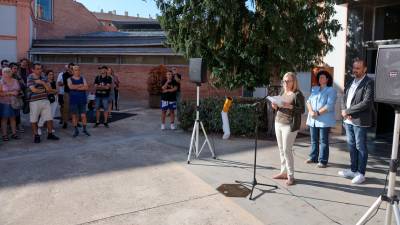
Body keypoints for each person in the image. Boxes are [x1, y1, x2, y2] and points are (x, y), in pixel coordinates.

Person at [338, 59, 375, 184]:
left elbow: (366, 103)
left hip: (360, 121)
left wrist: (348, 111)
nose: (355, 70)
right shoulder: (350, 81)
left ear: (364, 69)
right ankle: (353, 170)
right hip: (348, 120)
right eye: (354, 68)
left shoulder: (368, 83)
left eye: (358, 68)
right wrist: (344, 110)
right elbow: (344, 97)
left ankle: (361, 173)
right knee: (352, 146)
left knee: (361, 147)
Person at [271, 72, 305, 186]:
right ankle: (283, 172)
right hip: (278, 122)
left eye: (288, 81)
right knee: (281, 149)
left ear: (293, 82)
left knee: (287, 150)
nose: (285, 83)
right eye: (284, 81)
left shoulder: (297, 94)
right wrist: (275, 106)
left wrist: (289, 106)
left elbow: (302, 110)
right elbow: (279, 106)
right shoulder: (282, 91)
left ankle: (291, 175)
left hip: (289, 125)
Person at [305, 70, 337, 168]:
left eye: (323, 77)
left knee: (323, 140)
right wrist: (310, 111)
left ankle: (323, 161)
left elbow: (330, 105)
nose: (320, 79)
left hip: (324, 120)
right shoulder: (314, 89)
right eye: (319, 77)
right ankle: (313, 157)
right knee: (314, 139)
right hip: (313, 119)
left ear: (327, 79)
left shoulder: (331, 90)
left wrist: (317, 113)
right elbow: (308, 101)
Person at [27, 63, 59, 143]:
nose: (39, 70)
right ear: (33, 69)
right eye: (37, 69)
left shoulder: (43, 77)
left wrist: (42, 83)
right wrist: (44, 89)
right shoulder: (30, 77)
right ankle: (36, 135)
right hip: (34, 101)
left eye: (40, 68)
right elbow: (34, 90)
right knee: (34, 119)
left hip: (45, 100)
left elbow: (48, 89)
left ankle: (50, 134)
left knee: (49, 118)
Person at [68, 65, 90, 137]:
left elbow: (86, 87)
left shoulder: (83, 78)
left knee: (83, 115)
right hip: (74, 100)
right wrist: (80, 85)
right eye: (75, 70)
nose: (77, 71)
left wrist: (76, 87)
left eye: (78, 70)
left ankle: (84, 129)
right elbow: (71, 87)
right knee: (74, 116)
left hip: (82, 100)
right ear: (72, 71)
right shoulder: (69, 79)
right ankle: (76, 130)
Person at [0, 67, 21, 141]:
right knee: (4, 119)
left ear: (11, 72)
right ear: (2, 73)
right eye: (5, 72)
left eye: (8, 71)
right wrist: (11, 93)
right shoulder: (1, 81)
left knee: (13, 118)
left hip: (14, 102)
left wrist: (16, 93)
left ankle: (14, 134)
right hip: (4, 103)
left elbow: (18, 90)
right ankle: (4, 135)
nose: (7, 73)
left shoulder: (15, 81)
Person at [38, 70, 58, 136]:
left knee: (52, 115)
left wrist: (52, 90)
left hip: (54, 99)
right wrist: (52, 90)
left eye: (52, 74)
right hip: (46, 99)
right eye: (49, 74)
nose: (51, 76)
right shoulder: (44, 82)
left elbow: (57, 91)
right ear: (46, 75)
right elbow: (48, 91)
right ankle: (39, 127)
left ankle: (49, 128)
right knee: (44, 114)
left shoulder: (55, 82)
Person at [9, 62, 25, 133]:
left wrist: (20, 81)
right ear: (10, 69)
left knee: (17, 112)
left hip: (17, 96)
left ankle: (18, 125)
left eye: (16, 69)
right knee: (9, 112)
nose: (16, 70)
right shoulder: (6, 76)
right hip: (8, 97)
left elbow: (23, 85)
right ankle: (11, 126)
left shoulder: (18, 76)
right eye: (14, 68)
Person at [61, 63, 74, 129]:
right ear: (68, 68)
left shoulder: (76, 74)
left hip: (75, 93)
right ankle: (65, 122)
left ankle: (75, 122)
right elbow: (67, 83)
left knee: (75, 108)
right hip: (67, 93)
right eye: (70, 68)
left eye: (73, 68)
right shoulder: (64, 75)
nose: (72, 69)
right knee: (66, 108)